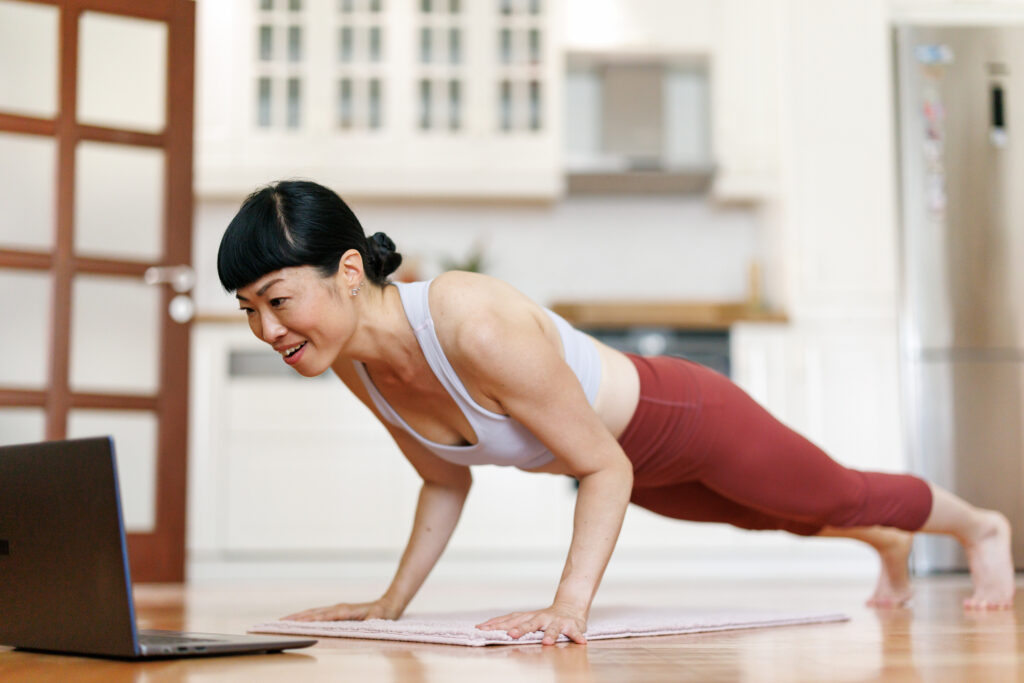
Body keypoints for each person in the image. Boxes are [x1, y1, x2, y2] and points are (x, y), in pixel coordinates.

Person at [217, 180, 1015, 646]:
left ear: (348, 271)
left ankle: (981, 527)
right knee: (774, 515)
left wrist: (569, 607)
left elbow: (606, 463)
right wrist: (391, 604)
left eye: (277, 300)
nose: (269, 329)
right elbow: (442, 479)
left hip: (680, 416)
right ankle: (885, 541)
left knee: (830, 492)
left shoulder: (472, 320)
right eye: (251, 310)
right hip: (629, 465)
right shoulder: (356, 363)